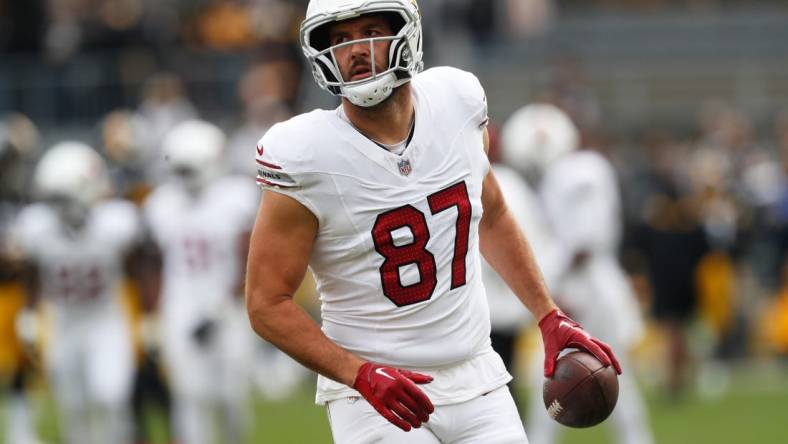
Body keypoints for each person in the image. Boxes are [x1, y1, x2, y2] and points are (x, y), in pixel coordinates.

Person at [245, 1, 621, 443]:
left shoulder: (456, 101)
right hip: (374, 394)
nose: (354, 51)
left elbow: (492, 213)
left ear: (406, 33)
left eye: (369, 32)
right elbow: (266, 303)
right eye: (340, 40)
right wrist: (359, 373)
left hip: (477, 375)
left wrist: (548, 316)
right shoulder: (304, 154)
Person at [500, 103, 653, 444]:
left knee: (575, 372)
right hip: (581, 283)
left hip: (587, 287)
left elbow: (583, 242)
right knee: (601, 374)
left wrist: (555, 286)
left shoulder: (579, 171)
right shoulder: (565, 175)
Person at [11, 142, 140, 444]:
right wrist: (29, 311)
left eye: (62, 198)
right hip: (63, 323)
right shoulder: (37, 227)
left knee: (111, 396)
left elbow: (140, 263)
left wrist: (148, 314)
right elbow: (31, 270)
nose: (57, 207)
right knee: (73, 408)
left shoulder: (115, 222)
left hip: (105, 321)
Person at [142, 120, 259, 444]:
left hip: (228, 305)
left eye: (188, 169)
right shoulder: (161, 203)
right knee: (188, 394)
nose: (183, 179)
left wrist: (221, 305)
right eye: (177, 170)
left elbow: (250, 259)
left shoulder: (236, 197)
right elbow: (153, 262)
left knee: (231, 396)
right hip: (180, 302)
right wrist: (151, 312)